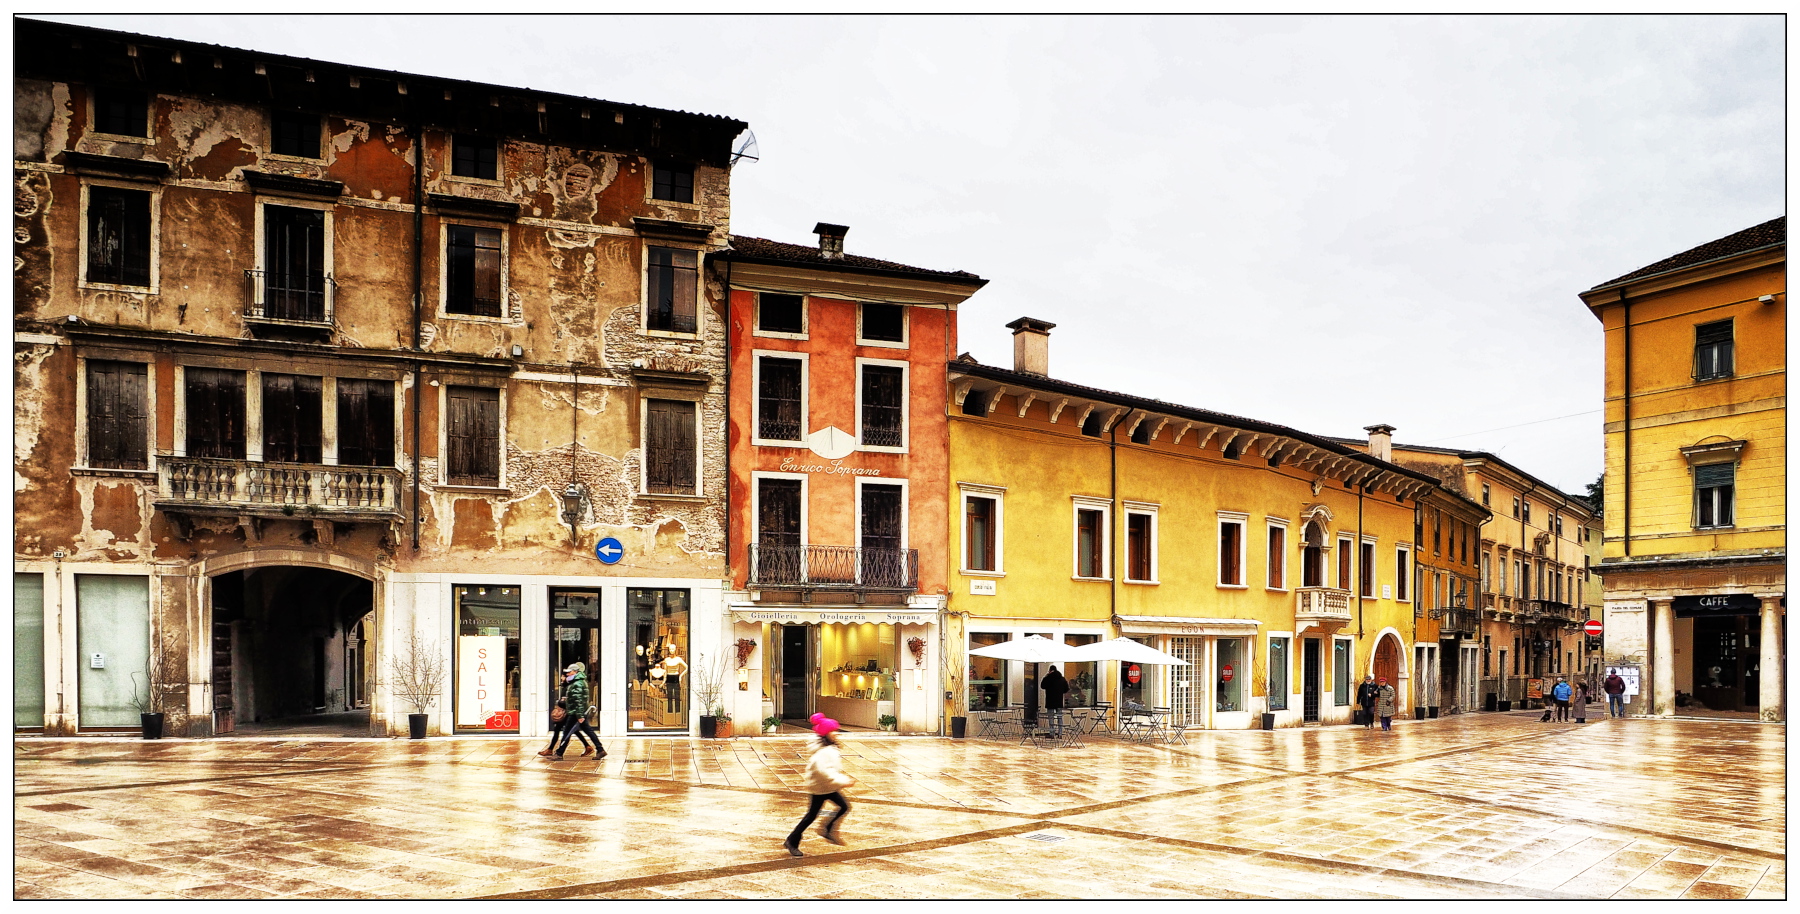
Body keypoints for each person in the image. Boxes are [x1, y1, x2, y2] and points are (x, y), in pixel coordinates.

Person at [785, 713, 854, 857]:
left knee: (843, 807)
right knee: (812, 815)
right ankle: (793, 840)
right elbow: (825, 772)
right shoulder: (822, 752)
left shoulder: (828, 747)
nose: (836, 734)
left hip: (827, 786)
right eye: (832, 731)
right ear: (825, 734)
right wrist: (843, 781)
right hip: (820, 787)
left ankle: (826, 828)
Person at [552, 662, 605, 760]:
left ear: (575, 672)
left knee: (567, 733)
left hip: (575, 713)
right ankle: (600, 749)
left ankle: (559, 753)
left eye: (569, 672)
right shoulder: (577, 682)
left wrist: (580, 715)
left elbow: (579, 700)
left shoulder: (578, 683)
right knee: (588, 731)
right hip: (576, 712)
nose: (567, 674)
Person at [1040, 665, 1069, 735]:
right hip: (1059, 701)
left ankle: (1052, 733)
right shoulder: (1062, 679)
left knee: (1051, 718)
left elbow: (1042, 686)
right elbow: (1066, 689)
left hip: (1050, 701)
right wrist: (1060, 692)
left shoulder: (1048, 678)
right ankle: (1060, 733)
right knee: (1059, 717)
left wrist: (1046, 676)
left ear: (1050, 670)